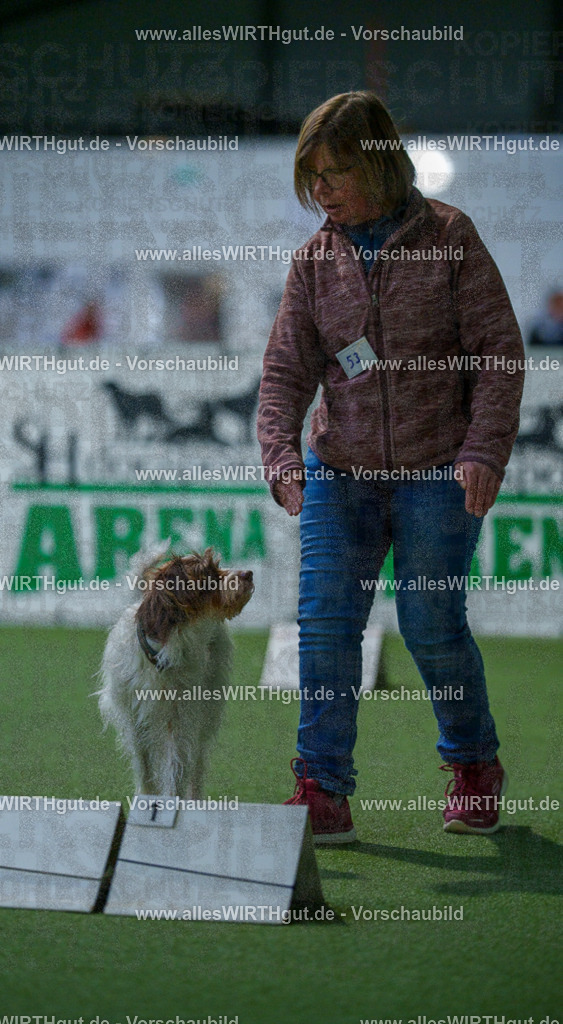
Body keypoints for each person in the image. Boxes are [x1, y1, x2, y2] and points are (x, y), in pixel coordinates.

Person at [256, 91, 525, 842]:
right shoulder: (312, 262)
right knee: (325, 628)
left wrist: (482, 450)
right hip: (338, 471)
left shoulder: (449, 236)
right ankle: (321, 790)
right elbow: (283, 374)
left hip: (439, 468)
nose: (321, 190)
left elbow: (499, 354)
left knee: (430, 624)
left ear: (377, 163)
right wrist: (281, 456)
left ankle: (473, 765)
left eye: (335, 172)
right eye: (311, 175)